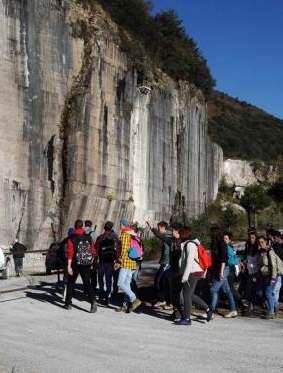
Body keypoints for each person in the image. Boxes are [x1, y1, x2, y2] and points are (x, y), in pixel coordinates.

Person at [147, 221, 183, 321]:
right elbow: (161, 236)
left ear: (179, 233)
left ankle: (180, 312)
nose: (173, 232)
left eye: (175, 231)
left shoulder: (183, 243)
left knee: (177, 292)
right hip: (172, 269)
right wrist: (152, 228)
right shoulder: (172, 242)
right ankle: (173, 308)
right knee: (167, 287)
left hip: (179, 271)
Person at [176, 227, 210, 325]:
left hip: (192, 272)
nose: (179, 235)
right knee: (190, 294)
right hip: (193, 272)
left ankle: (187, 319)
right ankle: (208, 309)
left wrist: (185, 276)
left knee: (186, 295)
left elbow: (190, 261)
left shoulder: (190, 244)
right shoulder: (188, 244)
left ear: (184, 234)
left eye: (180, 233)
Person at [64, 219, 98, 313]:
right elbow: (93, 251)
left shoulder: (71, 238)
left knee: (71, 283)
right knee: (87, 283)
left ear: (75, 226)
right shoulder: (88, 237)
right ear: (82, 226)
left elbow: (70, 253)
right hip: (86, 263)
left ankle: (68, 303)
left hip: (75, 263)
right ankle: (93, 301)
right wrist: (91, 262)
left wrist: (69, 266)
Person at [207, 227, 237, 321]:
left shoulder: (222, 244)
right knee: (226, 289)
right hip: (218, 268)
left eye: (212, 233)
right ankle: (233, 310)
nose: (210, 235)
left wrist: (221, 271)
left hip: (224, 268)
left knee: (213, 290)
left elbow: (224, 259)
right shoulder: (215, 244)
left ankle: (210, 311)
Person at [115, 218, 142, 313]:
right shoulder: (132, 233)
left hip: (126, 263)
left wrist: (119, 262)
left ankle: (134, 299)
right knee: (127, 285)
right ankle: (125, 306)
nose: (119, 225)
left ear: (123, 224)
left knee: (120, 283)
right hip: (132, 263)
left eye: (120, 224)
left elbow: (124, 250)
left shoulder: (125, 234)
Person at [96, 221, 120, 305]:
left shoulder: (100, 237)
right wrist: (117, 260)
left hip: (101, 261)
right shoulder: (115, 238)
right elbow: (118, 251)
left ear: (104, 228)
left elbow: (96, 250)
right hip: (110, 262)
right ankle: (108, 297)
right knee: (109, 280)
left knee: (100, 279)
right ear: (111, 228)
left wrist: (95, 261)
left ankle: (101, 295)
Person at [152, 221, 172, 309]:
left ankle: (163, 300)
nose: (159, 230)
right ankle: (165, 300)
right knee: (161, 281)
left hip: (166, 263)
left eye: (159, 228)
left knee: (158, 281)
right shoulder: (167, 235)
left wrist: (165, 262)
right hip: (165, 263)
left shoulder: (167, 236)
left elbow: (167, 252)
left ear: (163, 227)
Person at [258, 235, 278, 319]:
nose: (260, 244)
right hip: (263, 275)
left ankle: (271, 312)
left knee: (268, 293)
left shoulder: (270, 251)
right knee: (260, 292)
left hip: (270, 276)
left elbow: (273, 265)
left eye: (262, 242)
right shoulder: (261, 252)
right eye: (259, 242)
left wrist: (273, 278)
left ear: (266, 241)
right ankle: (275, 305)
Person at [84, 220, 98, 293]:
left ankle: (86, 288)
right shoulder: (94, 234)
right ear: (91, 226)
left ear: (85, 225)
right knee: (93, 273)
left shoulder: (82, 232)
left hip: (83, 256)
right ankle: (93, 288)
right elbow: (96, 245)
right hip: (92, 256)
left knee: (85, 273)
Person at [271, 231, 283, 315]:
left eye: (275, 238)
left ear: (279, 237)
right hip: (278, 270)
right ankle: (276, 305)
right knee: (276, 288)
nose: (273, 240)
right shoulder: (274, 246)